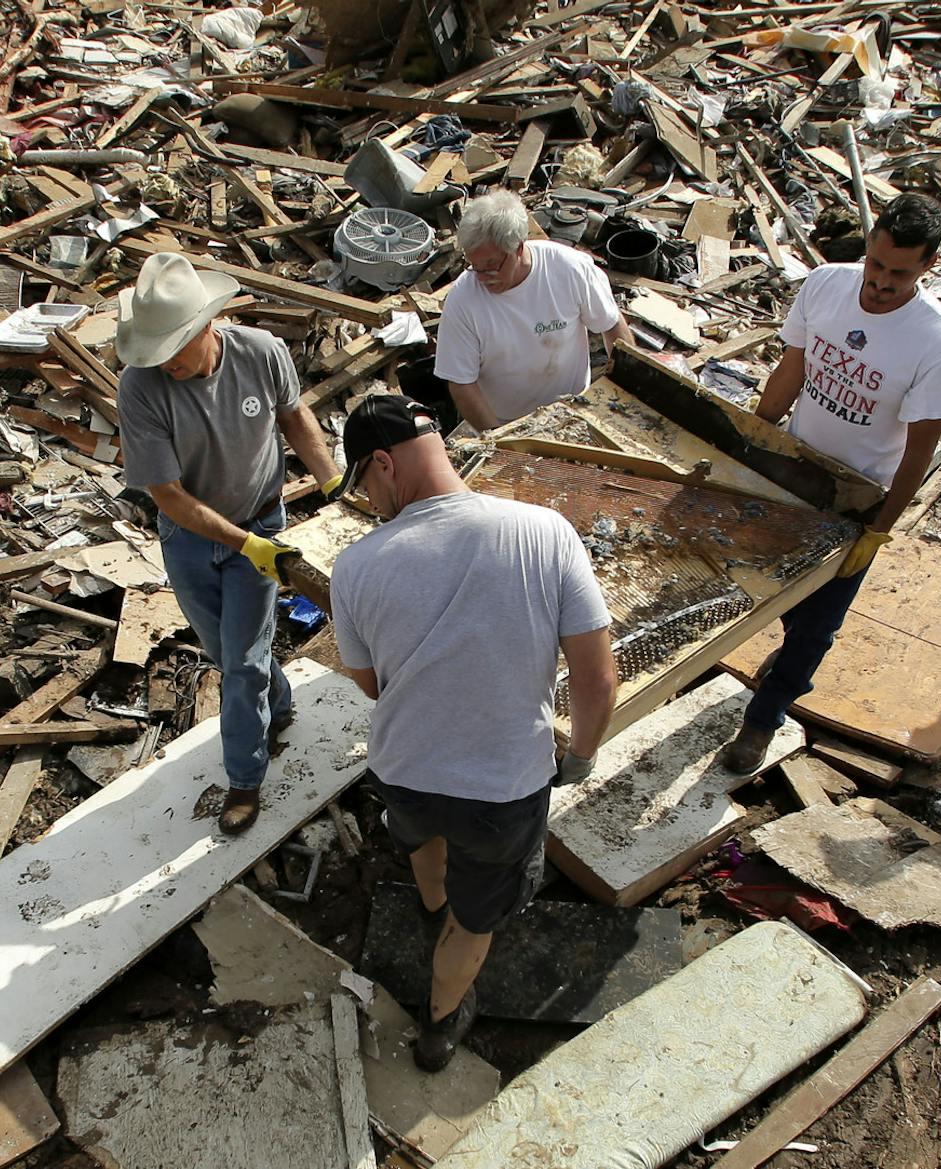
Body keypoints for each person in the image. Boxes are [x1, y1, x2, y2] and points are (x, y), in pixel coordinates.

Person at [327, 394, 617, 1071]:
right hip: (501, 787)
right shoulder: (543, 531)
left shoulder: (356, 566)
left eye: (365, 485)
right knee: (477, 917)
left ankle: (432, 905)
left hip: (402, 769)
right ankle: (439, 1022)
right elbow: (598, 679)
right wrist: (578, 757)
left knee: (425, 838)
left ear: (382, 463)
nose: (369, 500)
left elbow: (372, 685)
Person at [719, 193, 941, 774]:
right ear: (870, 242)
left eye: (898, 274)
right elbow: (790, 372)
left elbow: (919, 450)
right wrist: (752, 449)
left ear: (927, 266)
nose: (880, 282)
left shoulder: (935, 341)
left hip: (859, 493)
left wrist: (877, 531)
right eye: (876, 265)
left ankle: (764, 718)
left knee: (819, 623)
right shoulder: (825, 286)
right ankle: (787, 650)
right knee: (775, 588)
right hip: (797, 469)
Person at [116, 252, 344, 835]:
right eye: (155, 352)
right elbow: (167, 494)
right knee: (228, 651)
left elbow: (295, 420)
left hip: (261, 522)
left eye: (173, 349)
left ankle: (245, 777)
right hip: (191, 540)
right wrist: (244, 544)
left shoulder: (261, 353)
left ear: (206, 326)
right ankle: (282, 705)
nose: (164, 363)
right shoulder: (141, 387)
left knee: (240, 664)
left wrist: (333, 481)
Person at [434, 189, 635, 432]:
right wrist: (500, 441)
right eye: (475, 267)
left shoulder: (568, 269)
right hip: (503, 423)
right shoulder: (462, 301)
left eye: (491, 266)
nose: (484, 277)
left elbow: (611, 325)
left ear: (518, 248)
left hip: (571, 414)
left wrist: (628, 392)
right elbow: (461, 384)